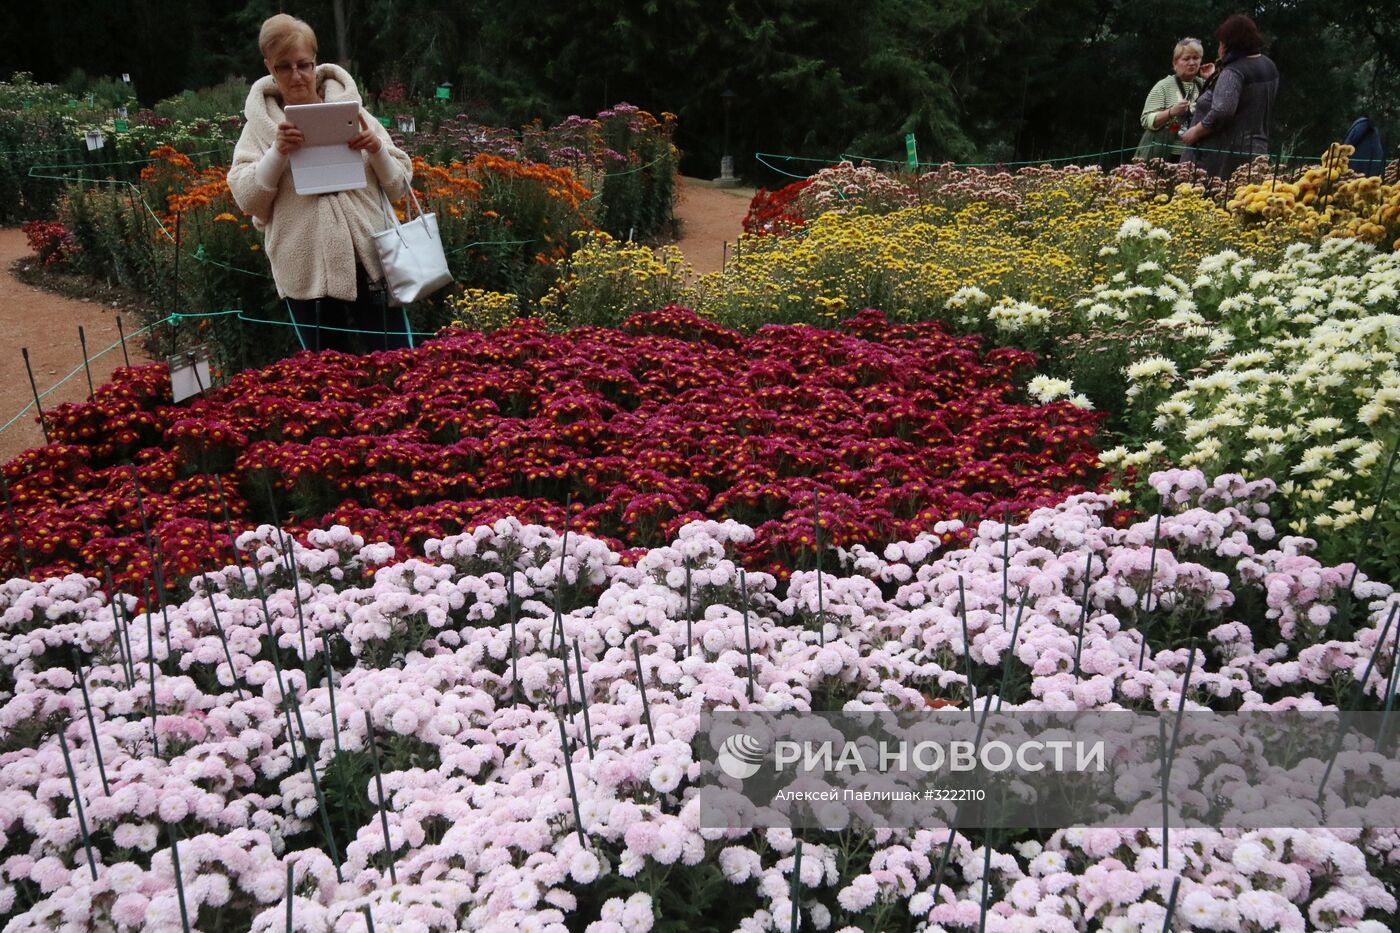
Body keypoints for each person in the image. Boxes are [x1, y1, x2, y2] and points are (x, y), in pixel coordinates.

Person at [228, 14, 415, 353]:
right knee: (326, 379)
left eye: (304, 64)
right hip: (305, 269)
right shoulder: (259, 126)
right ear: (269, 67)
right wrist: (277, 153)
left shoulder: (353, 111)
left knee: (397, 361)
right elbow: (248, 200)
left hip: (370, 259)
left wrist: (375, 149)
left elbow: (399, 184)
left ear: (316, 62)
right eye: (285, 67)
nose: (297, 75)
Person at [1180, 14, 1279, 180]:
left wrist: (1195, 132)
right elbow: (1247, 99)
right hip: (1256, 150)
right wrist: (1217, 80)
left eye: (1221, 43)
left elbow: (1222, 111)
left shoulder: (1233, 71)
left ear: (1229, 44)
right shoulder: (1268, 65)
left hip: (1222, 158)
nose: (1219, 47)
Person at [1135, 38, 1206, 162]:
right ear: (1175, 62)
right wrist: (1171, 112)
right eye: (1186, 58)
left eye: (1196, 58)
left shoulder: (1203, 84)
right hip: (1163, 155)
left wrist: (1211, 76)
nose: (1192, 62)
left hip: (1194, 156)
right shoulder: (1163, 86)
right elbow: (1146, 120)